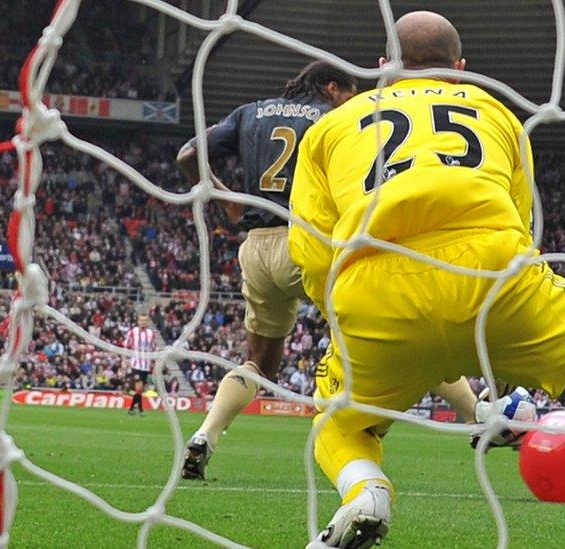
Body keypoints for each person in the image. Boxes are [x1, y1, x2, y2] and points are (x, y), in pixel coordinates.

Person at [289, 12, 565, 549]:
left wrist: (344, 313)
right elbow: (520, 220)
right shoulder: (497, 113)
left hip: (375, 289)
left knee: (337, 422)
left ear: (383, 68)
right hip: (491, 278)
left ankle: (366, 491)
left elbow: (311, 248)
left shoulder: (331, 127)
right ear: (461, 71)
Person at [176, 61, 481, 480]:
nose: (353, 101)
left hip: (257, 248)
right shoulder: (338, 119)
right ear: (331, 87)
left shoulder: (250, 113)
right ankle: (478, 418)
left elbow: (188, 154)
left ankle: (205, 435)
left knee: (259, 363)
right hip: (310, 243)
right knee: (405, 328)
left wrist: (225, 199)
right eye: (349, 92)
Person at [123, 313, 155, 416]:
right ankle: (140, 410)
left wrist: (154, 365)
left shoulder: (151, 334)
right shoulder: (132, 332)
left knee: (140, 390)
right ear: (138, 321)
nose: (143, 322)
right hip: (136, 365)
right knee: (139, 388)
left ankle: (132, 409)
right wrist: (124, 360)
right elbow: (126, 347)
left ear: (147, 322)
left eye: (145, 321)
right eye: (141, 320)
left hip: (146, 366)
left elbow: (153, 350)